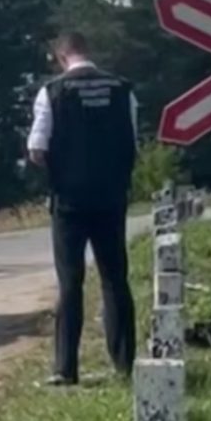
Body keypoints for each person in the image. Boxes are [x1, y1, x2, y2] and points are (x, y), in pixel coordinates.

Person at [27, 31, 138, 387]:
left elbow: (37, 148)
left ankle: (65, 369)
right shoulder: (122, 88)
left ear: (61, 58)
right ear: (88, 51)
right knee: (115, 279)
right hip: (111, 197)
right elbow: (133, 140)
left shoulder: (52, 92)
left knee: (70, 281)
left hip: (70, 201)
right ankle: (124, 364)